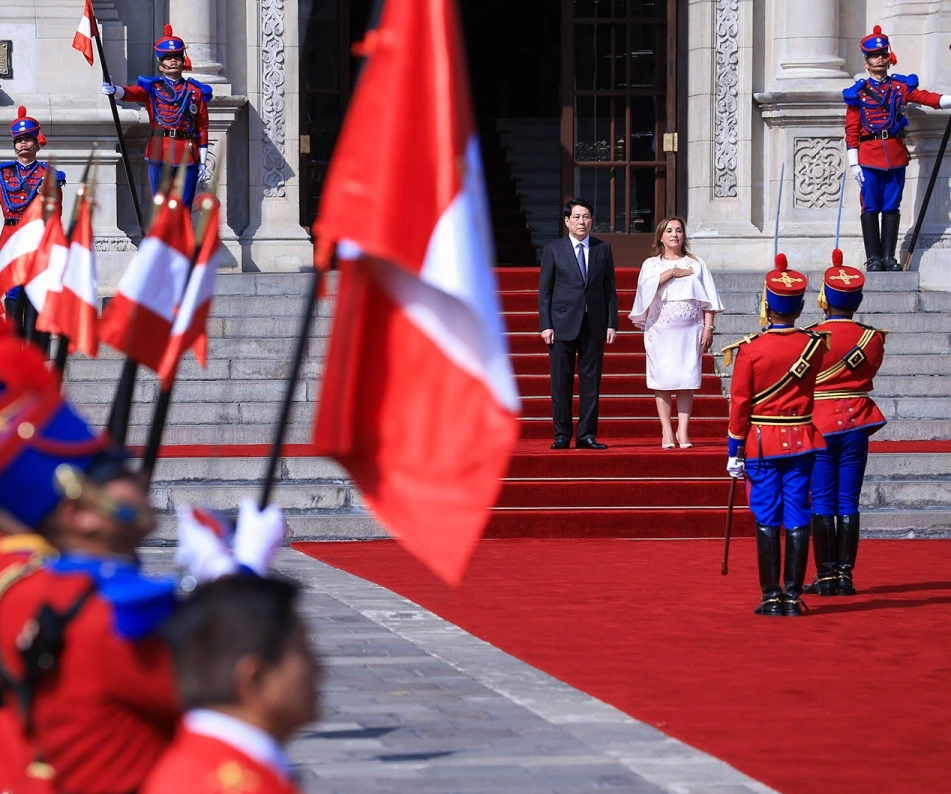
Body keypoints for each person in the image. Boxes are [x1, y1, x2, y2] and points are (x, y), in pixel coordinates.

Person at [0, 334, 286, 794]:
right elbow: (253, 687)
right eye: (116, 472)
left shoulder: (28, 582)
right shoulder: (105, 617)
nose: (139, 476)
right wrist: (241, 577)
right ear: (83, 515)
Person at [142, 576, 320, 794]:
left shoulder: (187, 762)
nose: (319, 668)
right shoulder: (251, 788)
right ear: (256, 681)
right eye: (304, 652)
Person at [722, 254, 828, 617]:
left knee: (767, 515)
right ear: (800, 307)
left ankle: (771, 596)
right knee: (797, 513)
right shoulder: (815, 345)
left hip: (762, 444)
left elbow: (740, 405)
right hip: (801, 440)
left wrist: (734, 450)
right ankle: (793, 597)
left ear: (767, 305)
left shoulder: (751, 349)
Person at [806, 252, 887, 596]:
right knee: (848, 501)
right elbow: (870, 371)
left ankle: (826, 576)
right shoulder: (873, 338)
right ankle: (845, 576)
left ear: (825, 298)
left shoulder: (811, 337)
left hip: (820, 424)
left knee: (823, 501)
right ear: (857, 300)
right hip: (857, 422)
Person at [844, 25, 951, 272]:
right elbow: (851, 130)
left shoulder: (899, 88)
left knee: (892, 205)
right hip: (868, 156)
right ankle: (873, 258)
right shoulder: (858, 94)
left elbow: (927, 98)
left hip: (895, 155)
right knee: (871, 206)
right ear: (867, 62)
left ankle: (889, 258)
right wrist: (854, 162)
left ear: (888, 58)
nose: (880, 59)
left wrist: (947, 100)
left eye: (883, 54)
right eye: (874, 56)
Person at [628, 217, 723, 449]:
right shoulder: (651, 264)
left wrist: (708, 327)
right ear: (661, 236)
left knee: (686, 379)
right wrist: (671, 272)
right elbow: (644, 290)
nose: (674, 234)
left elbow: (709, 300)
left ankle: (683, 430)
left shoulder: (697, 263)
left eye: (678, 230)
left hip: (690, 330)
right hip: (660, 330)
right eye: (669, 230)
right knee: (662, 379)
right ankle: (666, 430)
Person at [101, 24, 211, 210]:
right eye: (168, 58)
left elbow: (202, 128)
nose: (173, 61)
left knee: (184, 206)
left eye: (177, 57)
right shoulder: (153, 89)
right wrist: (115, 90)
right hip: (160, 151)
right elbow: (133, 93)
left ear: (183, 62)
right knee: (161, 205)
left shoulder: (195, 91)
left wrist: (202, 161)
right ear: (161, 64)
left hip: (187, 153)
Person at [538, 198, 618, 450]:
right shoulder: (554, 249)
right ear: (567, 221)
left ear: (592, 220)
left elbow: (609, 289)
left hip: (593, 323)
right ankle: (562, 434)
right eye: (577, 217)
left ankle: (586, 435)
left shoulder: (602, 249)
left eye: (586, 217)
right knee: (561, 381)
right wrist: (545, 324)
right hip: (561, 323)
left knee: (591, 382)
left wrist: (611, 323)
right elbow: (545, 291)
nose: (582, 222)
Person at [1, 106, 65, 331]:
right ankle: (13, 344)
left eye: (28, 139)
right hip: (11, 239)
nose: (23, 144)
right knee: (12, 290)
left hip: (37, 239)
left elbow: (55, 212)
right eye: (19, 140)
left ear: (37, 144)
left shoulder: (49, 176)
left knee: (34, 289)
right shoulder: (3, 174)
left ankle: (33, 346)